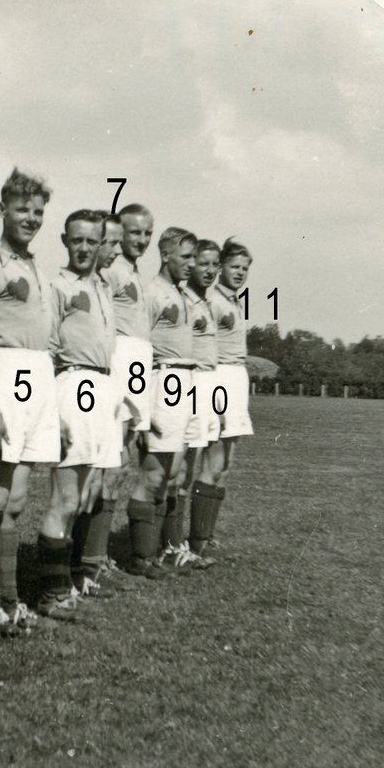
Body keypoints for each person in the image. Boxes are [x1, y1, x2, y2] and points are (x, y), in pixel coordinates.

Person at [0, 168, 62, 635]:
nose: (31, 218)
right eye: (22, 209)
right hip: (4, 375)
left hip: (36, 378)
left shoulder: (37, 268)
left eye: (38, 211)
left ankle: (8, 598)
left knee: (16, 501)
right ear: (2, 209)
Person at [36, 210, 119, 618]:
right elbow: (47, 350)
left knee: (87, 494)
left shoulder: (102, 286)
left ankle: (69, 579)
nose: (84, 248)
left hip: (101, 386)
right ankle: (51, 593)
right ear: (65, 241)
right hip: (74, 383)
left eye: (92, 241)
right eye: (77, 240)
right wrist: (54, 411)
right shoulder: (57, 286)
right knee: (66, 496)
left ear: (102, 243)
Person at [124, 227, 198, 580]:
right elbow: (138, 349)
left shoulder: (181, 293)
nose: (191, 264)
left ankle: (164, 549)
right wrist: (141, 408)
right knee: (153, 474)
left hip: (182, 382)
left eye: (194, 257)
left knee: (173, 474)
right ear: (165, 255)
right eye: (185, 256)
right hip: (161, 380)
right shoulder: (151, 292)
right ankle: (141, 557)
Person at [95, 205, 155, 574]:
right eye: (135, 233)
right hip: (119, 363)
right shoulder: (112, 269)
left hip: (137, 365)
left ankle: (97, 555)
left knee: (121, 461)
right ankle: (93, 557)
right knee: (111, 463)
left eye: (148, 234)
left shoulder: (133, 271)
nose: (142, 240)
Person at [190, 237, 255, 558]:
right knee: (213, 460)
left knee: (226, 464)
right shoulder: (212, 300)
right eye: (234, 266)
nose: (240, 272)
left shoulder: (235, 301)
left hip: (236, 378)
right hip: (219, 378)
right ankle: (197, 539)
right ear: (221, 268)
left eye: (245, 268)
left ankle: (209, 533)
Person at [165, 239, 221, 569]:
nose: (210, 270)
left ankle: (180, 544)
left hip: (205, 387)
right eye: (203, 263)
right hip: (186, 384)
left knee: (187, 471)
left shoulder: (206, 301)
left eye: (215, 265)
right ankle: (169, 545)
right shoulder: (183, 299)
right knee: (177, 469)